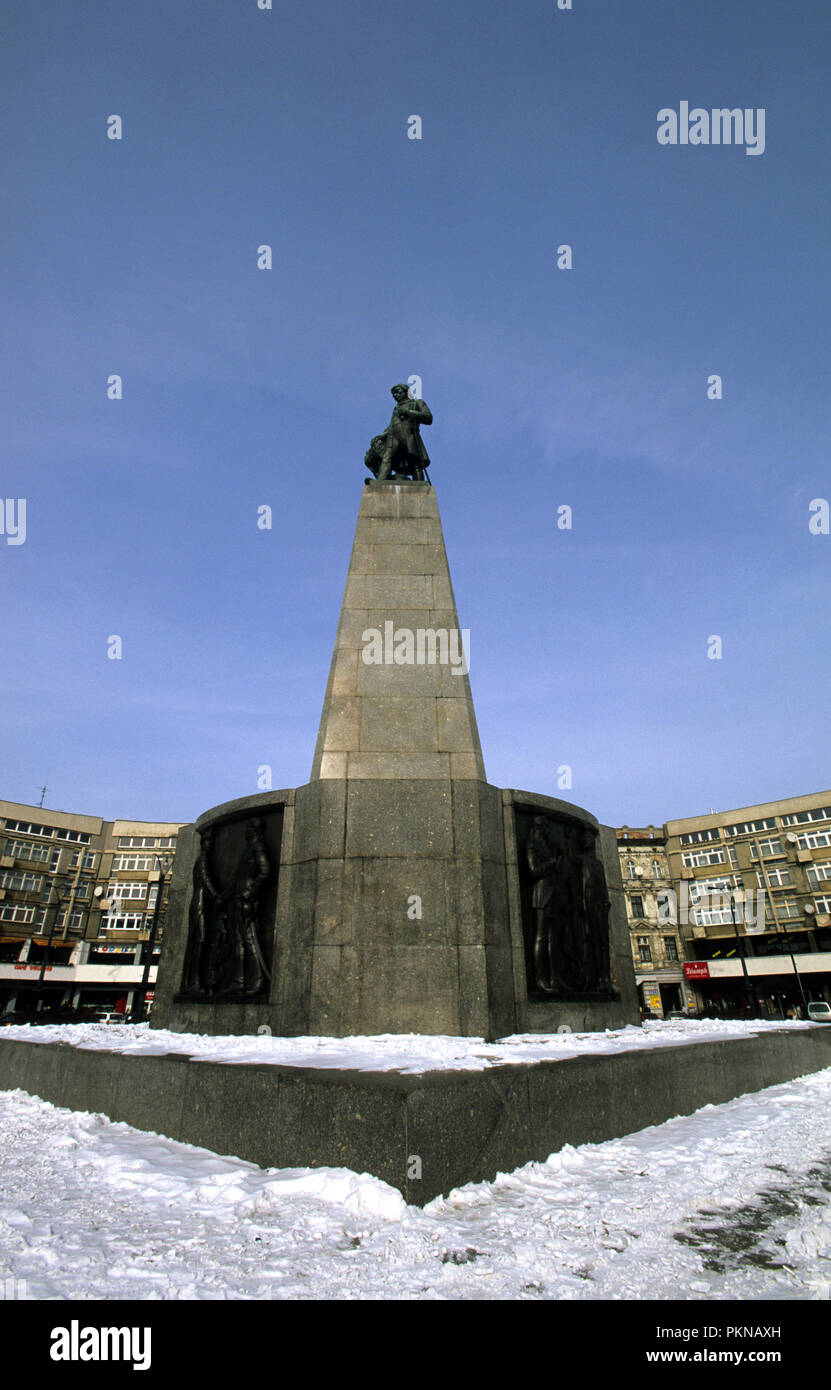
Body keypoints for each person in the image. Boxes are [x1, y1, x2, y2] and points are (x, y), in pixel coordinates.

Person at [365, 384, 432, 481]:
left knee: (414, 462)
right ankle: (380, 481)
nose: (396, 395)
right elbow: (392, 425)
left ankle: (419, 484)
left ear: (406, 392)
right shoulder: (396, 408)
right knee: (387, 458)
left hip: (409, 435)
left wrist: (408, 412)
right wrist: (382, 435)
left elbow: (428, 418)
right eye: (394, 394)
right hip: (393, 436)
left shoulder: (417, 403)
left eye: (398, 392)